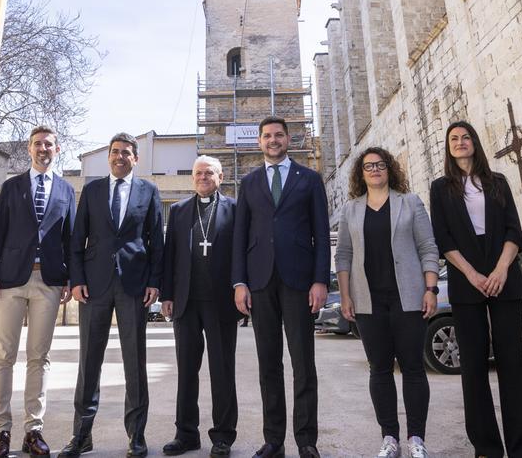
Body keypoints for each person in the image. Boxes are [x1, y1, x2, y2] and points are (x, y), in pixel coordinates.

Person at [429, 121, 522, 458]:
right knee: (473, 366)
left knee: (511, 363)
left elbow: (513, 230)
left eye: (465, 137)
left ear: (475, 142)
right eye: (453, 139)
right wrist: (473, 275)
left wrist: (501, 270)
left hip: (504, 275)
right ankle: (486, 448)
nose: (460, 143)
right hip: (466, 278)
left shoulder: (498, 182)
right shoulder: (440, 188)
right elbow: (443, 239)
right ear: (448, 148)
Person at [61, 132, 165, 458]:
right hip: (94, 286)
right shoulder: (91, 190)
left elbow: (156, 242)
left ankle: (136, 436)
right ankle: (81, 436)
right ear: (109, 156)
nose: (120, 157)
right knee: (89, 362)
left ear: (136, 158)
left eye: (126, 153)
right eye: (115, 152)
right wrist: (76, 279)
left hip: (134, 286)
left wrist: (154, 282)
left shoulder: (149, 191)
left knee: (135, 363)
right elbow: (78, 240)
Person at [232, 117, 330, 458]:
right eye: (267, 136)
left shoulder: (310, 179)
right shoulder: (249, 182)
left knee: (303, 362)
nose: (273, 140)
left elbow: (321, 233)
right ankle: (274, 439)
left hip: (300, 282)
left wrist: (320, 279)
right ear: (259, 142)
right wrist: (240, 282)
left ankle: (306, 440)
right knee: (268, 363)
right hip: (260, 282)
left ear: (288, 139)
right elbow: (240, 236)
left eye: (278, 135)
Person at [335, 147, 439, 458]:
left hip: (408, 297)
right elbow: (343, 256)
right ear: (361, 173)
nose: (375, 170)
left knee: (413, 368)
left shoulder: (410, 202)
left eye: (380, 165)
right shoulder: (351, 210)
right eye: (369, 166)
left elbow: (428, 246)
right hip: (369, 301)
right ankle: (389, 438)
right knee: (379, 369)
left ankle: (416, 439)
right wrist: (345, 295)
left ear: (389, 169)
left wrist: (430, 288)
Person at [0, 126, 77, 458]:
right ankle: (1, 432)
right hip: (10, 281)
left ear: (57, 149)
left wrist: (69, 278)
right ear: (29, 148)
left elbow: (70, 240)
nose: (42, 149)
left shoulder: (66, 191)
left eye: (48, 144)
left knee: (39, 357)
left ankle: (33, 431)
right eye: (37, 144)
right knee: (4, 355)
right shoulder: (11, 187)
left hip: (48, 282)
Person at [159, 156, 240, 457]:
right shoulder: (179, 211)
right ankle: (186, 434)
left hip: (221, 303)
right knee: (186, 371)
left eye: (209, 173)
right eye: (198, 173)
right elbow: (169, 256)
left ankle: (223, 436)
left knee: (222, 371)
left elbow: (241, 254)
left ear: (221, 177)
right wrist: (166, 294)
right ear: (191, 178)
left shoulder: (234, 208)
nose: (202, 177)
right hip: (186, 301)